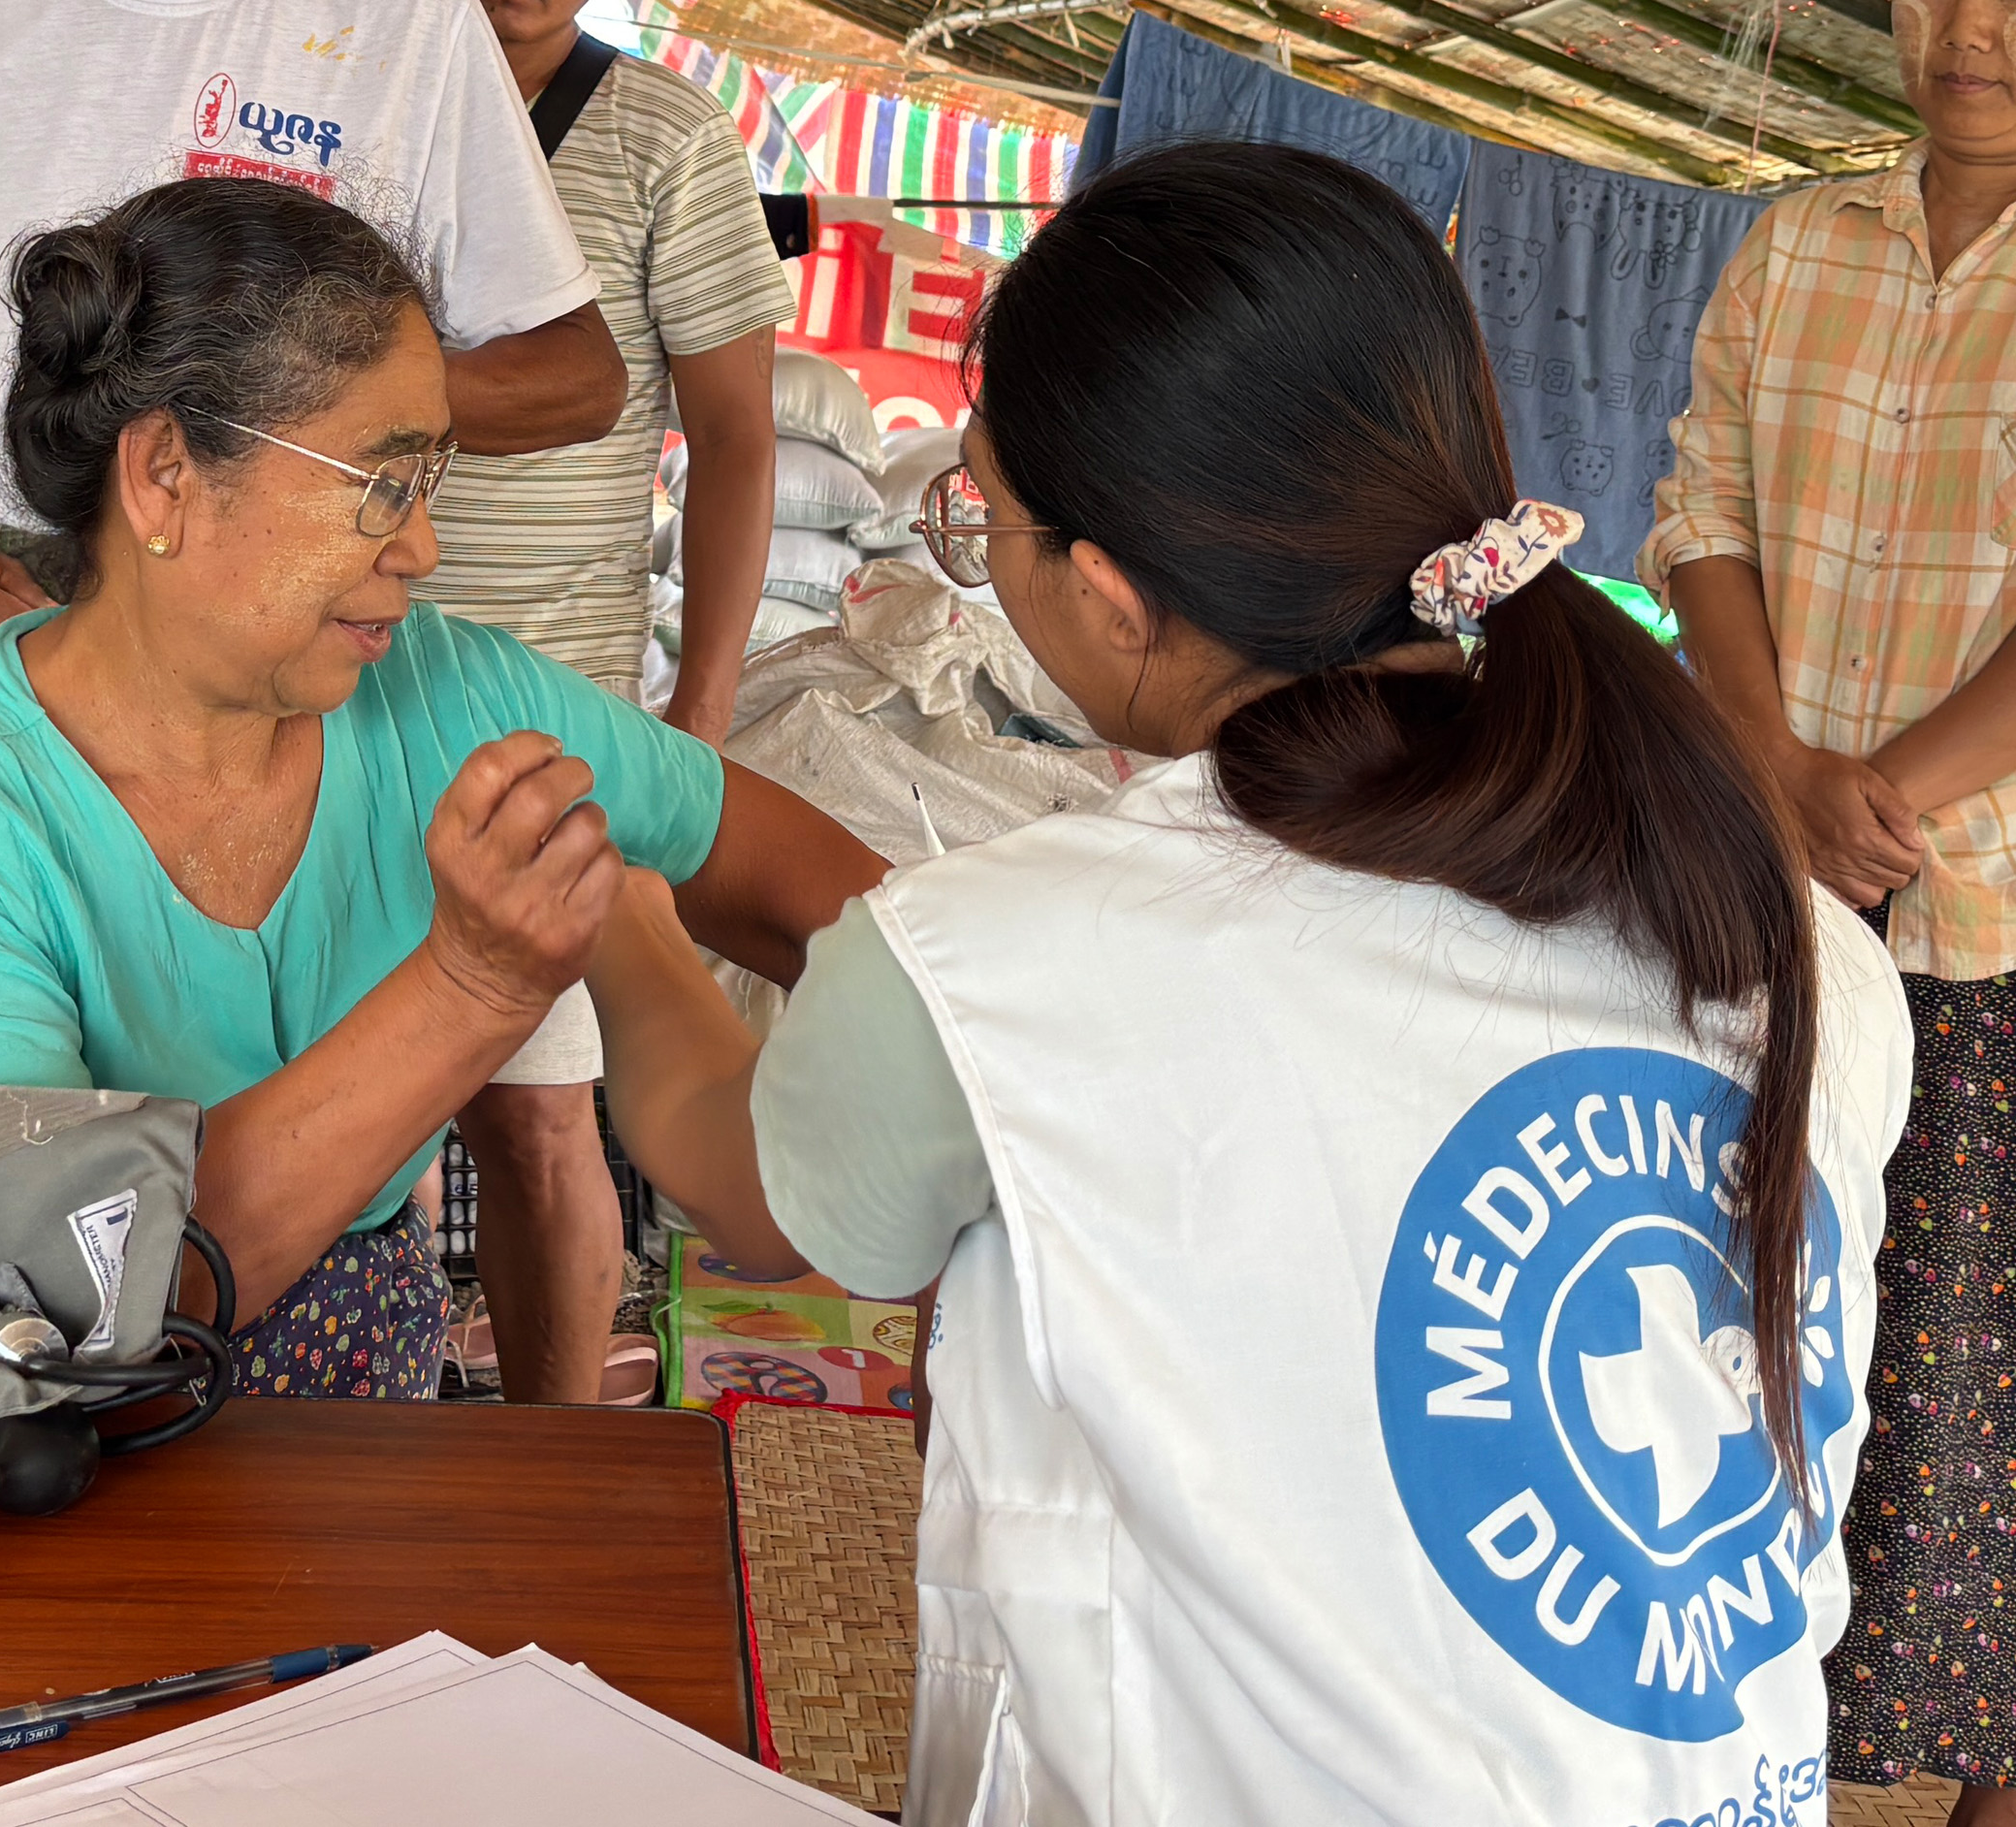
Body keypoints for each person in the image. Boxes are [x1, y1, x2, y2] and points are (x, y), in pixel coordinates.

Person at [581, 143, 1915, 1823]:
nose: (974, 550)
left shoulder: (1021, 953)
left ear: (1119, 597)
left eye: (982, 520)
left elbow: (747, 1173)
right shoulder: (1804, 941)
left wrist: (615, 912)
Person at [0, 177, 880, 1397]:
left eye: (430, 484)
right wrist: (473, 988)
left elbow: (808, 889)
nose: (420, 546)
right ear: (163, 477)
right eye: (382, 481)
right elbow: (106, 1282)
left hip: (347, 1396)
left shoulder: (449, 696)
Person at [0, 0, 636, 1367]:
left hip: (283, 599)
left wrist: (291, 419)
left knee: (323, 1145)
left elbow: (573, 372)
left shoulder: (405, 25)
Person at [1642, 0, 2016, 1807]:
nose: (1976, 31)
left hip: (1987, 930)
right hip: (1773, 899)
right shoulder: (1800, 241)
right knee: (1757, 1339)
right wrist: (1776, 764)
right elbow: (1699, 506)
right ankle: (1751, 1740)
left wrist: (1882, 797)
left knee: (1960, 1405)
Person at [412, 0, 794, 1401]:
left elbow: (740, 444)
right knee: (337, 1093)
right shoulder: (351, 100)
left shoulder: (666, 139)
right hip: (322, 692)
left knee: (537, 1116)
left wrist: (695, 712)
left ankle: (550, 1457)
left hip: (547, 722)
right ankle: (354, 1441)